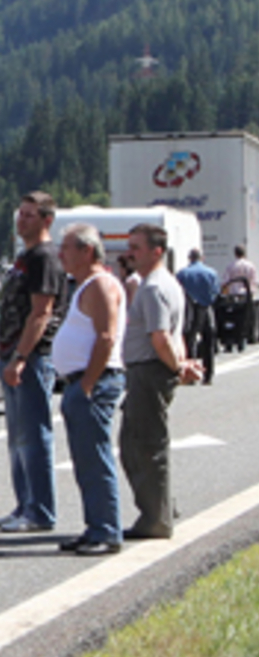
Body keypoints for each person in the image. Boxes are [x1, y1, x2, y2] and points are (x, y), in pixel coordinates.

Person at [120, 224, 203, 541]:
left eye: (137, 247)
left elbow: (161, 337)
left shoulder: (153, 287)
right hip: (152, 370)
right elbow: (174, 334)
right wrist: (180, 366)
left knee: (144, 447)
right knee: (136, 444)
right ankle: (162, 506)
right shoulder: (165, 283)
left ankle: (156, 518)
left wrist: (178, 366)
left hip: (148, 371)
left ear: (157, 251)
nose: (131, 252)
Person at [0, 191, 67, 534]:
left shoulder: (45, 258)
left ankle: (39, 511)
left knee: (34, 436)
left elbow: (41, 313)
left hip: (32, 357)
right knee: (17, 438)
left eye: (29, 215)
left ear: (47, 220)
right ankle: (24, 504)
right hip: (12, 352)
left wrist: (21, 357)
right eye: (20, 214)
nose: (21, 220)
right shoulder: (26, 256)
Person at [50, 224, 126, 556]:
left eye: (66, 248)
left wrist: (88, 384)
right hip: (82, 380)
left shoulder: (100, 285)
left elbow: (106, 337)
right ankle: (95, 526)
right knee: (85, 460)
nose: (60, 254)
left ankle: (106, 531)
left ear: (87, 251)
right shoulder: (85, 286)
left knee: (95, 458)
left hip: (93, 380)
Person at [175, 248, 219, 384]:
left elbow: (177, 291)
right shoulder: (211, 273)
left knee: (190, 341)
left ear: (189, 258)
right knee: (209, 343)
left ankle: (191, 375)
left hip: (189, 309)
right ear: (202, 258)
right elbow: (216, 291)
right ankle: (208, 376)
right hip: (206, 308)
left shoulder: (182, 274)